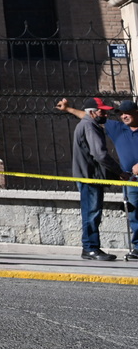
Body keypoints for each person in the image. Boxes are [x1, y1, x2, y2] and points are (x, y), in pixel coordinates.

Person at [58, 97, 138, 262]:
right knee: (93, 213)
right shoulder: (93, 126)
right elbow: (99, 154)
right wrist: (119, 172)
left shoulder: (91, 123)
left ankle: (91, 247)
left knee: (93, 212)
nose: (106, 114)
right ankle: (90, 248)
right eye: (102, 111)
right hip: (94, 178)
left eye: (126, 113)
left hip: (95, 177)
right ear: (93, 112)